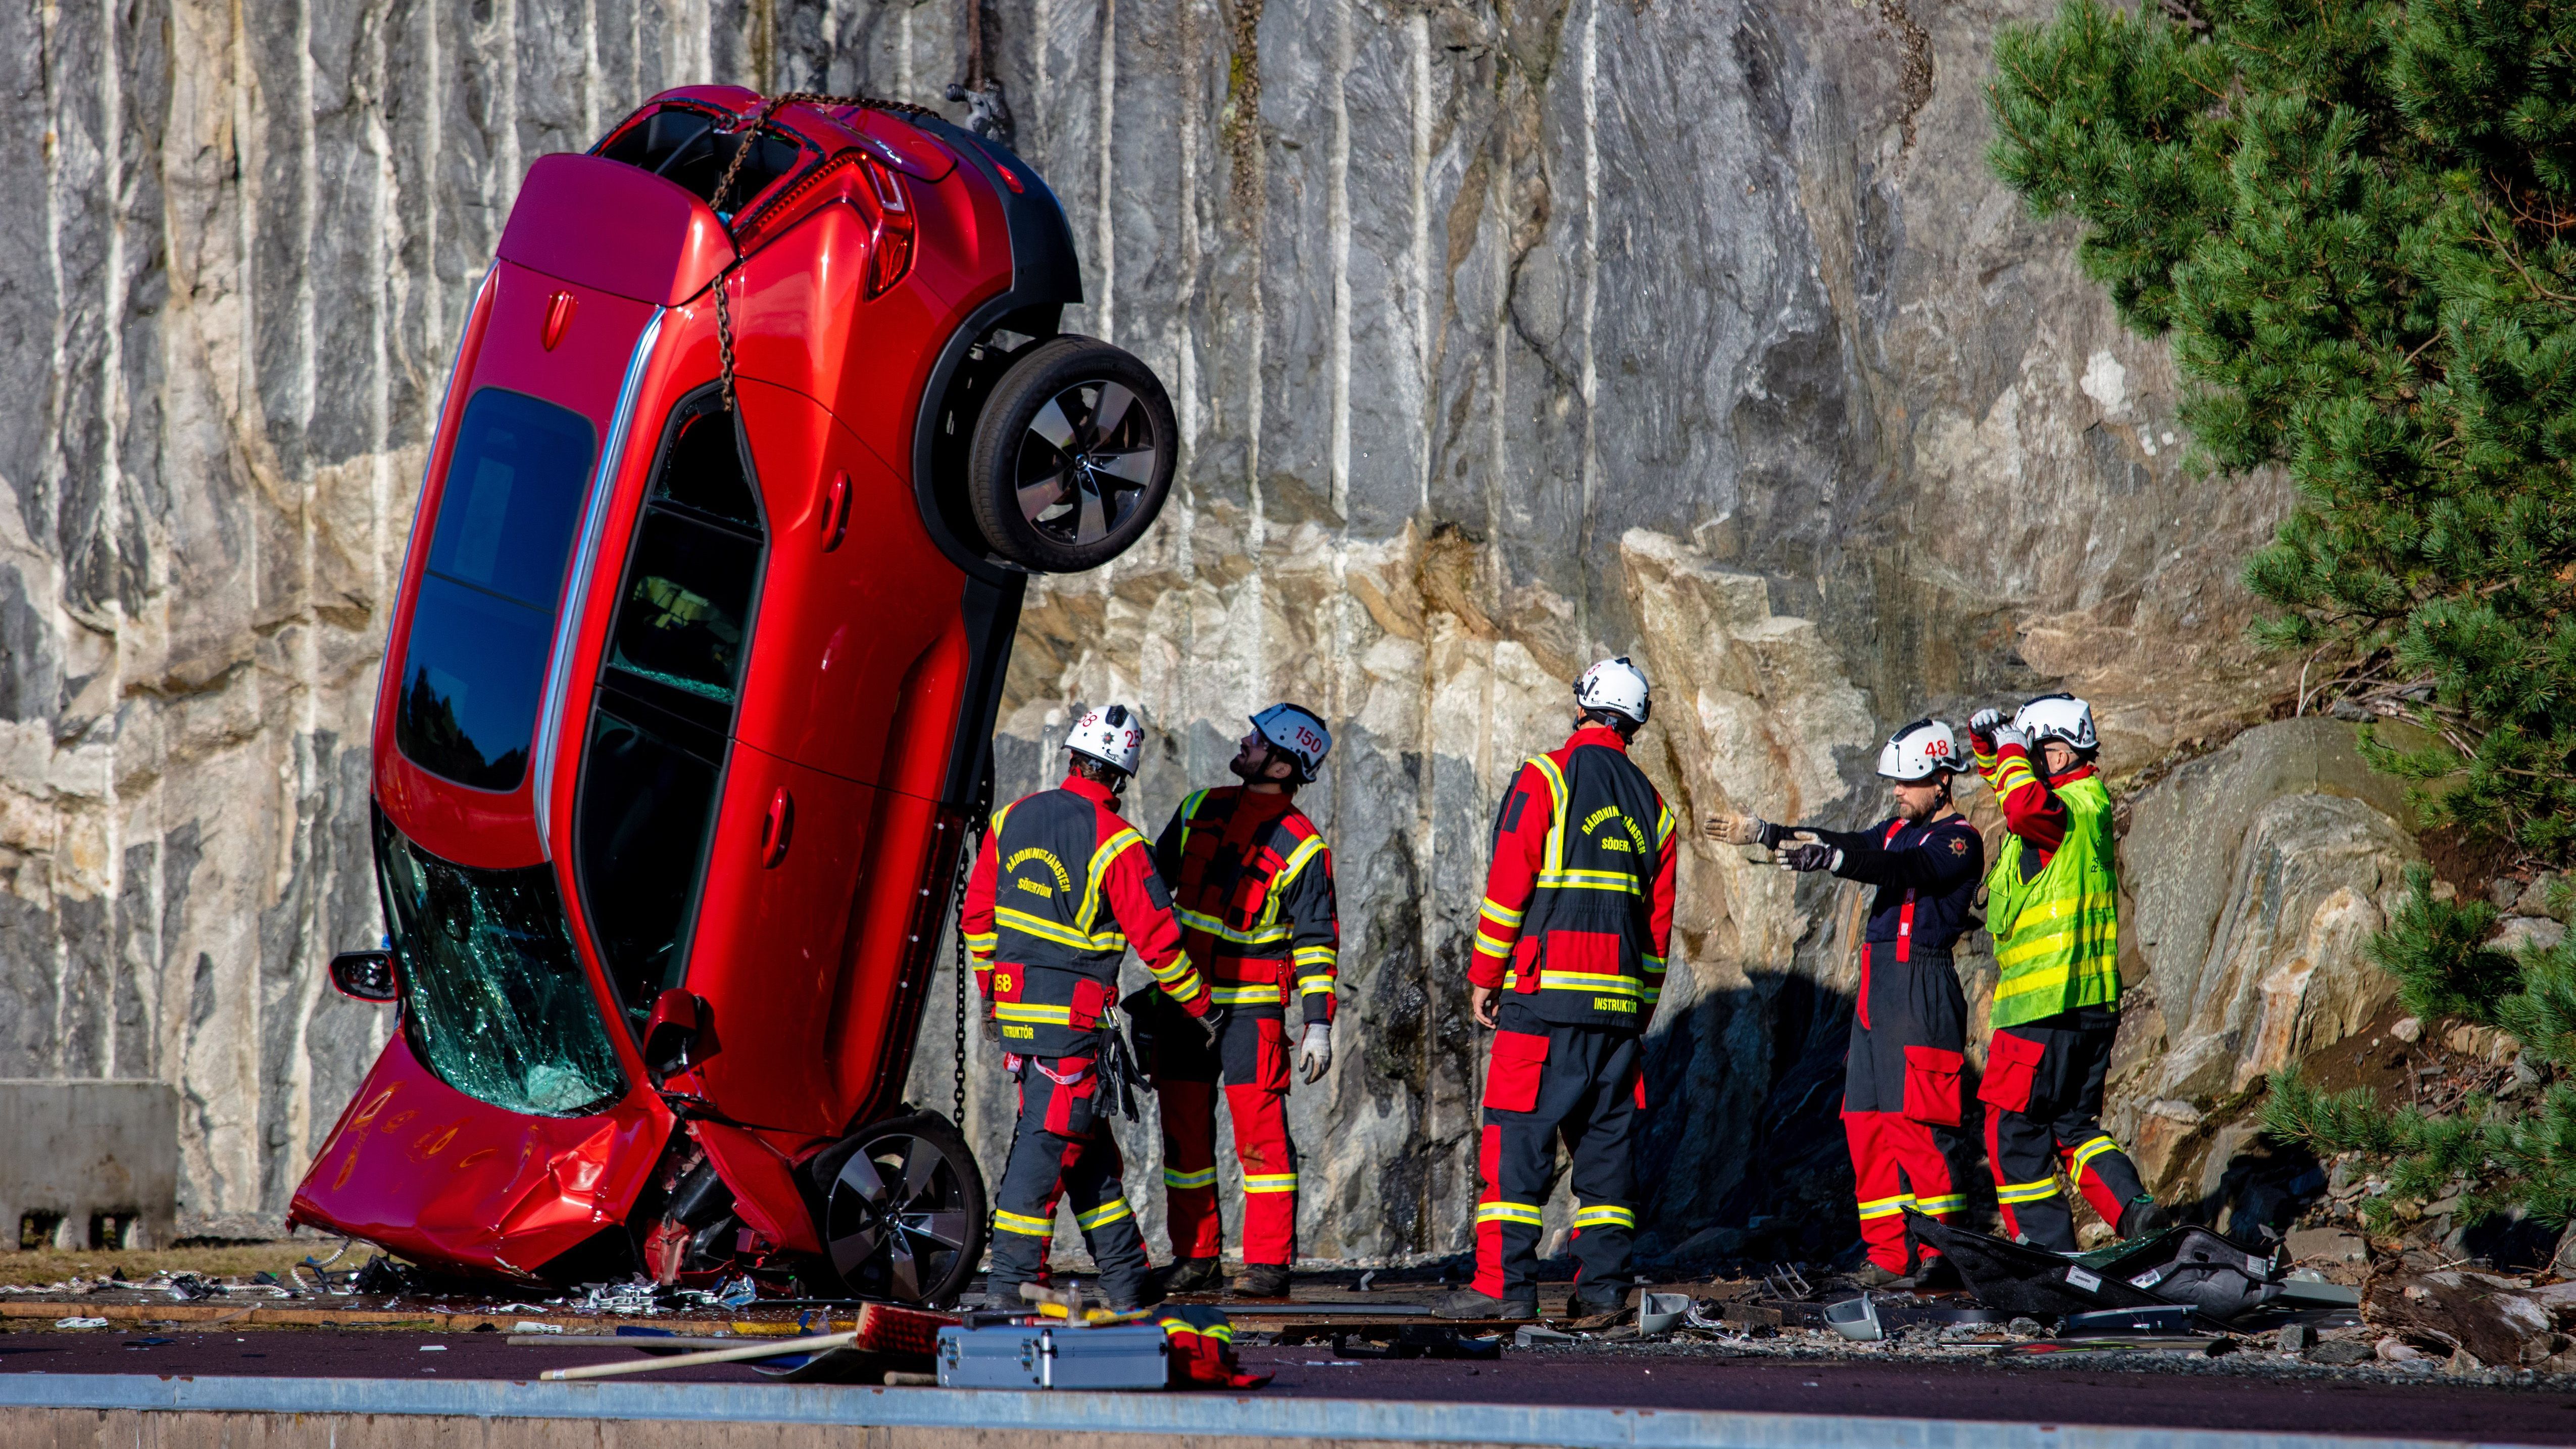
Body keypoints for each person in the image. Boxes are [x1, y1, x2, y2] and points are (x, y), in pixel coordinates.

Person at [1438, 658, 1676, 1321]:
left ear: (1584, 707)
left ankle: (1503, 1289)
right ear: (1633, 722)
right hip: (1619, 1017)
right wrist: (1637, 1013)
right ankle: (1601, 1292)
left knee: (1515, 1146)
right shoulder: (1654, 808)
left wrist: (1485, 977)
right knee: (1605, 1160)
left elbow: (1509, 888)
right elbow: (1657, 933)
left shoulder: (1548, 776)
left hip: (1543, 1007)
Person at [1708, 719, 1985, 1286]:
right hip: (1877, 997)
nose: (1897, 792)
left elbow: (1905, 869)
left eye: (1907, 783)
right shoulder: (1895, 830)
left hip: (1921, 989)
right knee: (1865, 1126)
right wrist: (1765, 831)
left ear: (1943, 780)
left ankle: (1941, 1257)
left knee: (1920, 1128)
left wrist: (1833, 862)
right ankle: (1887, 1256)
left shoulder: (1958, 840)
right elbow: (1848, 844)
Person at [961, 703, 1215, 1310]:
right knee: (1040, 1163)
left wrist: (996, 994)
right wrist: (1203, 1007)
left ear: (1071, 756)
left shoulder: (1010, 820)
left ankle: (1129, 1285)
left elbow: (978, 919)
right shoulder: (1119, 842)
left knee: (1089, 1160)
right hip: (1072, 1033)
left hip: (1023, 1026)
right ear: (1121, 776)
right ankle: (1008, 1292)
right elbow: (1159, 943)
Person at [1145, 704, 1342, 1300]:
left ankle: (1267, 1265)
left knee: (1262, 1140)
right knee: (1184, 1139)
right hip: (1181, 1002)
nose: (1243, 740)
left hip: (1251, 1013)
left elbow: (1316, 941)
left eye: (1256, 740)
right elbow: (1148, 888)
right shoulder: (1199, 807)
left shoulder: (1306, 848)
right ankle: (1195, 1257)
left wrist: (1317, 1024)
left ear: (1283, 764)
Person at [1966, 693, 2165, 1250]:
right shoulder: (2087, 802)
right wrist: (1991, 745)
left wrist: (2007, 745)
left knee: (2014, 1133)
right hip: (2090, 1009)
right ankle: (2135, 1214)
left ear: (2052, 755)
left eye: (2032, 754)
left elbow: (2024, 806)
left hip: (2041, 1009)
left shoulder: (2054, 813)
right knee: (2075, 1130)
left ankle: (2047, 1254)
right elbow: (2013, 789)